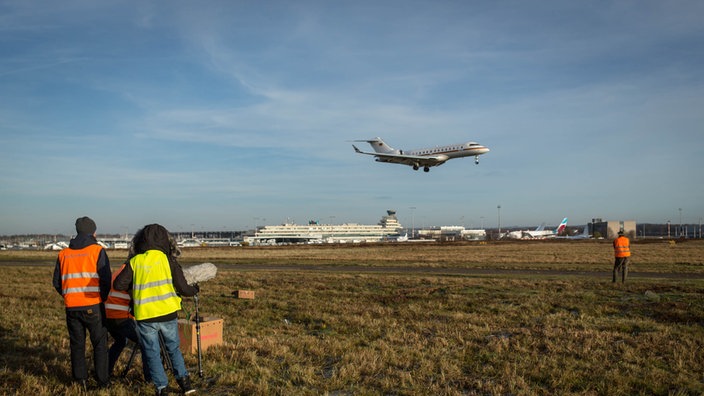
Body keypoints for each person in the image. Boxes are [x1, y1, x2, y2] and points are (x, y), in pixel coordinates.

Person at [114, 224, 198, 395]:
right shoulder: (168, 260)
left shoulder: (136, 261)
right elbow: (183, 287)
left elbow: (118, 284)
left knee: (151, 352)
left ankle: (162, 387)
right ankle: (185, 383)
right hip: (168, 313)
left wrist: (136, 285)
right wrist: (195, 289)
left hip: (145, 316)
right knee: (173, 348)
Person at [52, 216, 112, 389]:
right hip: (93, 305)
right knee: (100, 344)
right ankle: (103, 381)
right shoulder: (97, 251)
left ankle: (80, 381)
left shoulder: (63, 254)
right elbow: (106, 280)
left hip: (72, 307)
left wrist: (69, 296)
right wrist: (103, 298)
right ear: (93, 232)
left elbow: (57, 282)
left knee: (77, 345)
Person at [105, 263, 150, 380]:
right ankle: (150, 378)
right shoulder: (131, 273)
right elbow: (136, 300)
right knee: (146, 342)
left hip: (108, 316)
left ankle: (105, 371)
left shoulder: (121, 270)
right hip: (120, 317)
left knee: (120, 341)